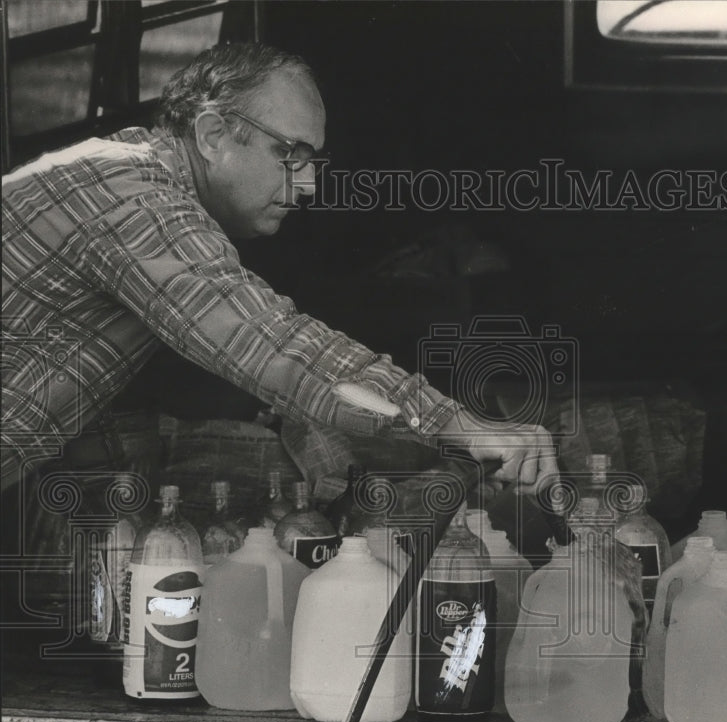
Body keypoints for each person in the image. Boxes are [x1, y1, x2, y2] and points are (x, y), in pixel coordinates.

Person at [1, 42, 556, 497]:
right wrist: (456, 425)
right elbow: (270, 344)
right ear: (214, 135)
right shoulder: (131, 198)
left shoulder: (126, 180)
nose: (308, 183)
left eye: (313, 160)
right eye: (291, 154)